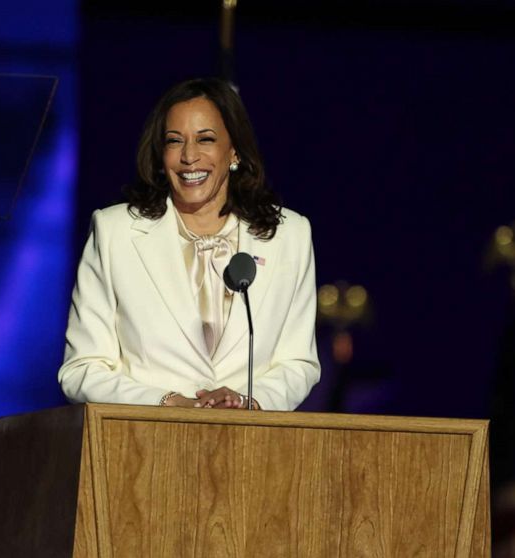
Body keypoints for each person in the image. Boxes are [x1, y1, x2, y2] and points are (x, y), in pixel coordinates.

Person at [57, 78, 319, 411]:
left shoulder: (289, 236)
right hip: (141, 448)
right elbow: (81, 370)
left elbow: (299, 363)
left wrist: (248, 401)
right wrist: (164, 403)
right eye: (174, 141)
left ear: (234, 150)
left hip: (251, 449)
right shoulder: (115, 233)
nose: (189, 156)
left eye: (205, 139)